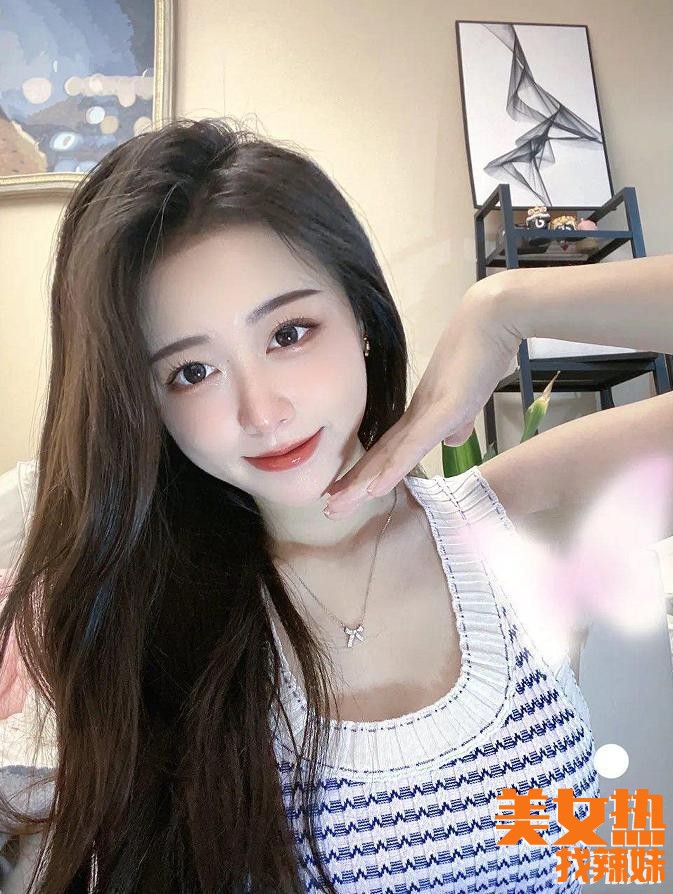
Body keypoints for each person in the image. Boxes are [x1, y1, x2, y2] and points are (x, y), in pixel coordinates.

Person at [0, 115, 671, 894]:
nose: (262, 413)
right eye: (190, 373)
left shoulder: (520, 520)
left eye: (289, 332)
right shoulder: (138, 621)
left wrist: (508, 306)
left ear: (360, 317)